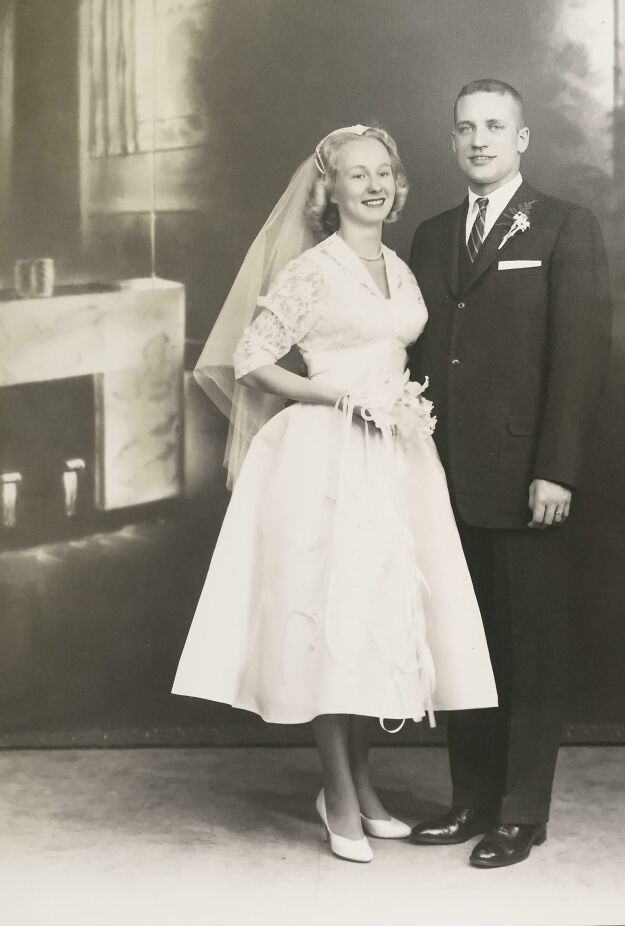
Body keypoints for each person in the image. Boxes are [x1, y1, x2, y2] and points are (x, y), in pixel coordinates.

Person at [172, 124, 497, 864]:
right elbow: (248, 358)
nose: (375, 185)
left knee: (371, 618)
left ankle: (363, 786)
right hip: (328, 460)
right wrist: (329, 397)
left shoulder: (400, 268)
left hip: (398, 459)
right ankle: (338, 795)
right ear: (331, 190)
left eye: (384, 172)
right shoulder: (314, 269)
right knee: (329, 620)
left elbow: (398, 348)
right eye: (358, 175)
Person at [408, 80, 611, 868]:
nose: (479, 140)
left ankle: (522, 814)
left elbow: (581, 359)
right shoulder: (429, 236)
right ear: (453, 142)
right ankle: (470, 802)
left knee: (528, 649)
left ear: (523, 139)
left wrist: (556, 469)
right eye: (466, 128)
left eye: (495, 127)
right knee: (465, 642)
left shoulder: (565, 227)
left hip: (528, 476)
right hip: (441, 475)